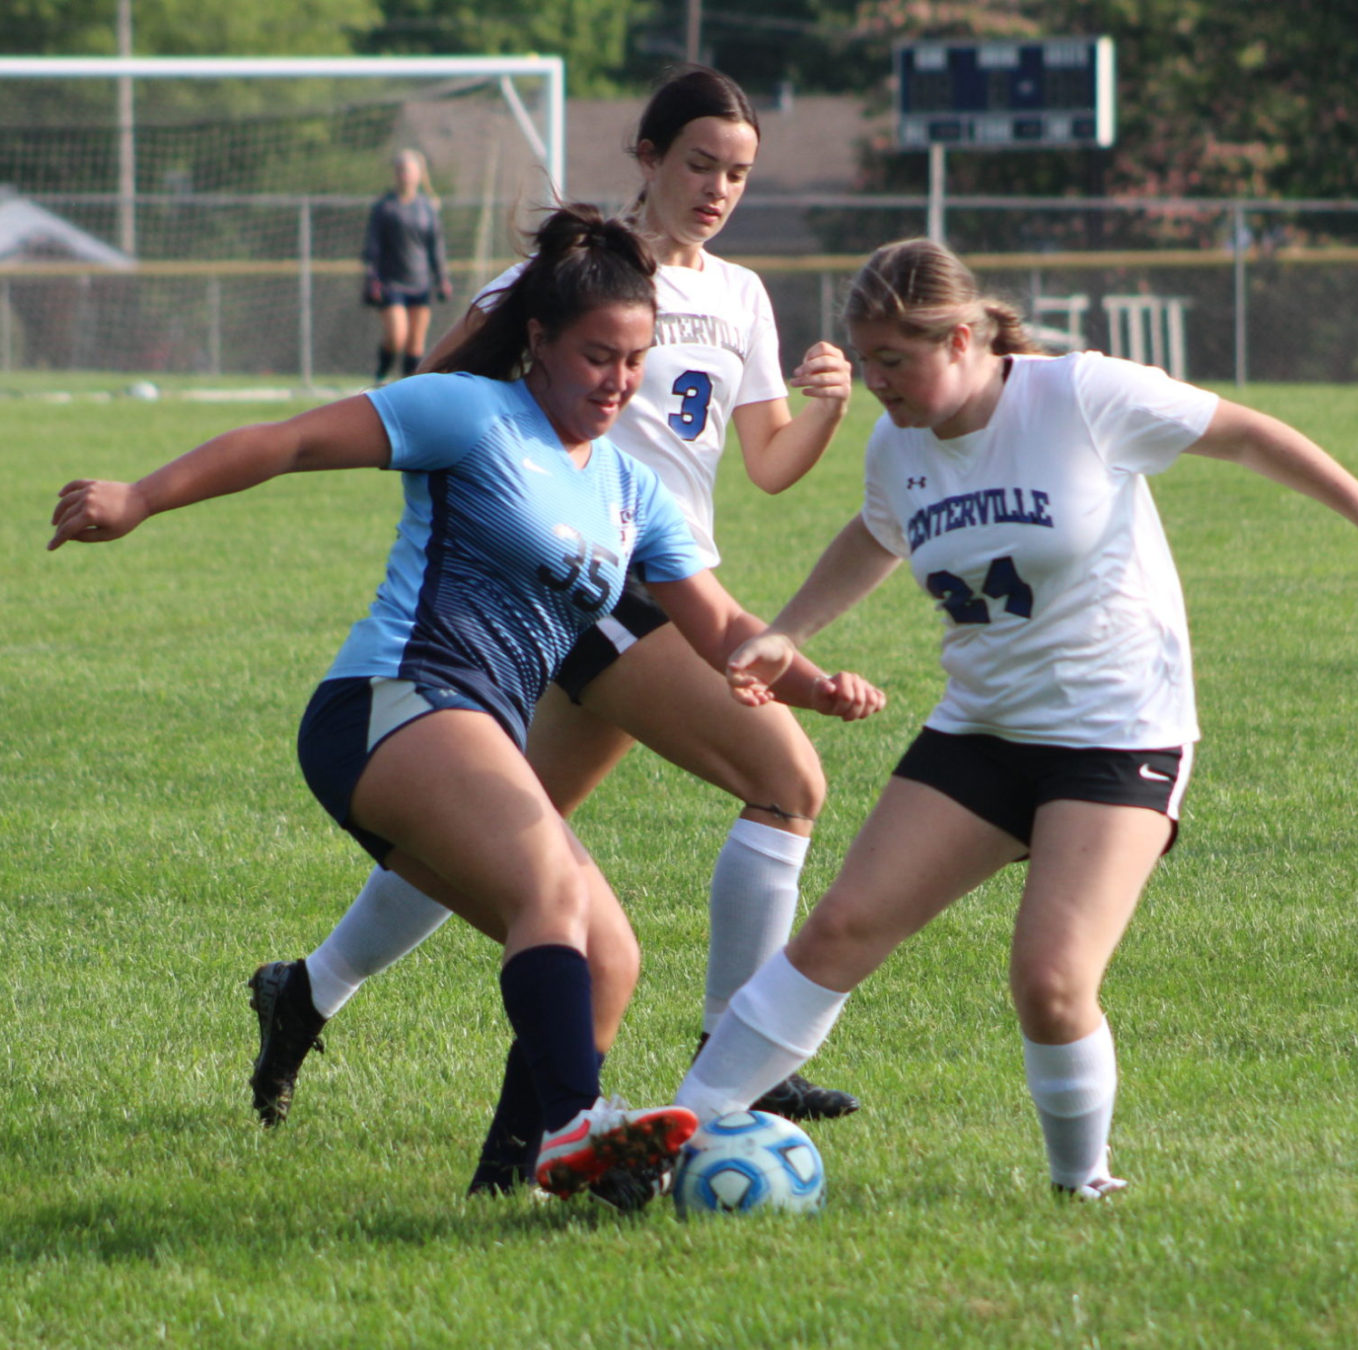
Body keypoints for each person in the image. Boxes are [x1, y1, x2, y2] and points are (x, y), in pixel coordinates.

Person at [47, 205, 883, 1208]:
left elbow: (719, 627)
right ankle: (581, 1126)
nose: (617, 381)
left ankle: (509, 1185)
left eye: (634, 360)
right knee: (554, 895)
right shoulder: (470, 412)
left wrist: (809, 681)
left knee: (608, 960)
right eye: (595, 356)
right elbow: (292, 442)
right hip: (388, 702)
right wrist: (139, 499)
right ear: (537, 341)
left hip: (470, 726)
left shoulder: (630, 490)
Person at [676, 237, 1358, 1200]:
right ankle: (678, 1134)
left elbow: (1249, 433)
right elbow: (880, 532)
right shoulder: (899, 442)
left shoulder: (1081, 396)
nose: (876, 382)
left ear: (962, 338)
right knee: (840, 928)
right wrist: (786, 630)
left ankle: (1082, 1186)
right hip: (984, 728)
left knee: (1050, 983)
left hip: (1116, 731)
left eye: (896, 360)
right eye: (865, 358)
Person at [247, 66, 864, 1192]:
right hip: (590, 589)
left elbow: (768, 468)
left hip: (664, 583)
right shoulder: (570, 276)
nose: (718, 187)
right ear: (646, 154)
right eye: (699, 163)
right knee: (785, 779)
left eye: (738, 171)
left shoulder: (741, 298)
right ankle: (740, 1059)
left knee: (511, 848)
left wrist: (824, 406)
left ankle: (316, 992)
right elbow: (435, 400)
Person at [363, 148, 452, 385]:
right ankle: (381, 377)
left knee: (415, 342)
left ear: (418, 174)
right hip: (391, 283)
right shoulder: (385, 207)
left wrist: (442, 278)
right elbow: (372, 247)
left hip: (420, 282)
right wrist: (372, 279)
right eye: (400, 170)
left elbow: (436, 246)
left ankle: (407, 387)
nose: (404, 175)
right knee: (397, 335)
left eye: (408, 170)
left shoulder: (427, 208)